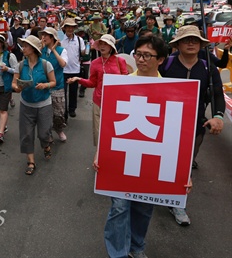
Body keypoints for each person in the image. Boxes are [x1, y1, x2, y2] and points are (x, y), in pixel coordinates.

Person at [95, 35, 192, 258]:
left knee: (143, 208)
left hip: (151, 162)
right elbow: (109, 126)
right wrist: (100, 153)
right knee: (119, 207)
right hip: (122, 158)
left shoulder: (173, 91)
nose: (140, 59)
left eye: (147, 55)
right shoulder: (121, 84)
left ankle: (136, 247)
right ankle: (117, 252)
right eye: (138, 54)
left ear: (161, 60)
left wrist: (184, 173)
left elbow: (178, 135)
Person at [159, 25, 224, 226]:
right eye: (186, 40)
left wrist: (217, 116)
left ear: (201, 45)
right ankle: (153, 192)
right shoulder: (166, 65)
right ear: (177, 44)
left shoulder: (208, 68)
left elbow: (217, 95)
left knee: (184, 165)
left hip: (194, 126)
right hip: (163, 123)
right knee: (160, 160)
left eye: (195, 40)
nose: (190, 43)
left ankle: (177, 203)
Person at [67, 35, 128, 146]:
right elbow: (92, 83)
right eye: (101, 44)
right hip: (98, 101)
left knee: (114, 131)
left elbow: (125, 82)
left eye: (106, 44)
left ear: (111, 47)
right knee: (98, 132)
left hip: (116, 103)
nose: (103, 46)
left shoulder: (120, 61)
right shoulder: (95, 63)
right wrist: (78, 79)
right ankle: (98, 157)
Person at [12, 36, 56, 175]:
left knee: (44, 133)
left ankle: (46, 145)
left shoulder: (45, 65)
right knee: (26, 134)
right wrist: (17, 88)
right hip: (26, 104)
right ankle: (30, 161)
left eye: (26, 46)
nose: (23, 48)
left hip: (44, 104)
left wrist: (45, 85)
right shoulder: (20, 65)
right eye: (23, 45)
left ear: (34, 49)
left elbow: (53, 82)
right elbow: (14, 82)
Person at [39, 28, 68, 142]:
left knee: (59, 113)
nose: (44, 37)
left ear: (53, 38)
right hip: (43, 86)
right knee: (45, 113)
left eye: (46, 35)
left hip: (57, 86)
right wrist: (40, 47)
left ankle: (59, 129)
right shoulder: (41, 50)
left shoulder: (62, 50)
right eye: (43, 35)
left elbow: (63, 64)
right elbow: (32, 60)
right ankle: (48, 133)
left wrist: (54, 50)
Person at [61, 18, 86, 119]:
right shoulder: (60, 40)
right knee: (63, 92)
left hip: (75, 69)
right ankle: (64, 111)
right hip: (63, 70)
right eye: (68, 27)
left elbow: (83, 52)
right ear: (65, 28)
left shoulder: (79, 40)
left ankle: (72, 109)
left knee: (73, 91)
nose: (70, 29)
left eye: (72, 27)